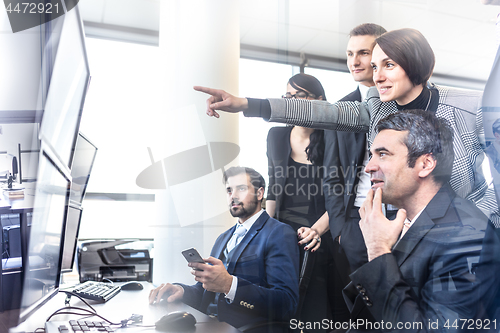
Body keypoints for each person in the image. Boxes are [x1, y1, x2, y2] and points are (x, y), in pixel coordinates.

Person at [194, 28, 500, 230]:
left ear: (416, 62)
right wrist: (247, 104)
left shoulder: (471, 106)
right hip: (399, 233)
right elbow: (321, 111)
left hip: (463, 235)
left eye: (388, 65)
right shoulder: (377, 108)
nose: (377, 76)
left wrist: (476, 220)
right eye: (375, 66)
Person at [343, 110, 500, 332]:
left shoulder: (466, 235)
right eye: (371, 155)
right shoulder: (396, 221)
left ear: (426, 164)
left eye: (383, 154)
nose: (368, 167)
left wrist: (378, 251)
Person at [149, 167, 299, 332]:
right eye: (229, 190)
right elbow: (205, 292)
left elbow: (286, 303)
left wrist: (230, 285)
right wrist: (181, 290)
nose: (233, 195)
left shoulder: (278, 233)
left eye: (241, 188)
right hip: (207, 325)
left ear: (259, 193)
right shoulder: (223, 238)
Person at [266, 73, 348, 330]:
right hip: (284, 232)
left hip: (322, 230)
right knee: (282, 308)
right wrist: (267, 229)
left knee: (317, 311)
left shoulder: (335, 136)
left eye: (298, 96)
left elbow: (342, 191)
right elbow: (272, 183)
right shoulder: (276, 135)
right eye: (287, 97)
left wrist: (317, 230)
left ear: (319, 101)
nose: (291, 102)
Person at [323, 23, 386, 272]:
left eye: (363, 53)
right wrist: (340, 230)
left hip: (398, 220)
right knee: (360, 307)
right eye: (350, 54)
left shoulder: (405, 105)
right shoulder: (339, 109)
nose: (355, 61)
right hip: (354, 224)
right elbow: (331, 175)